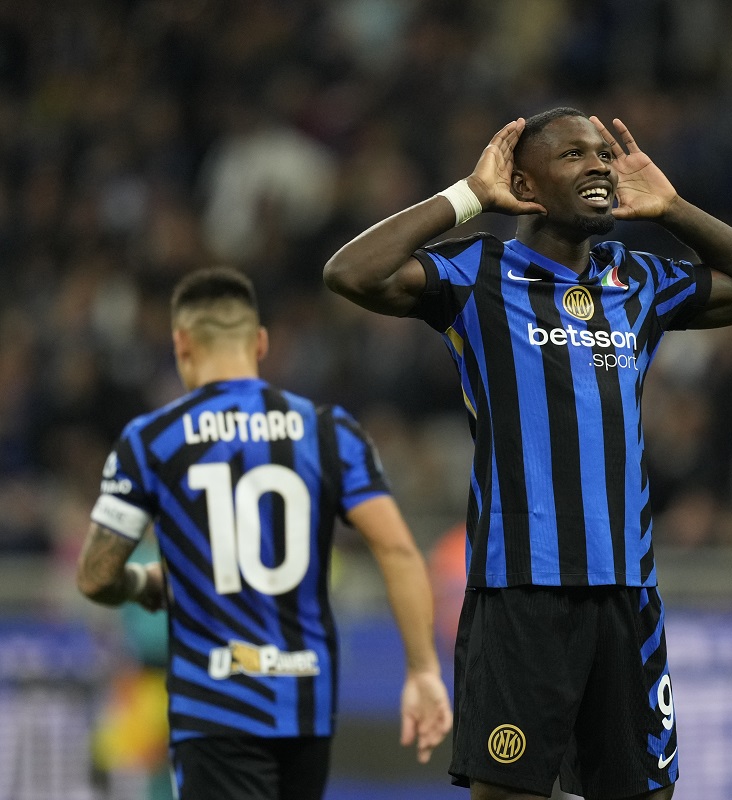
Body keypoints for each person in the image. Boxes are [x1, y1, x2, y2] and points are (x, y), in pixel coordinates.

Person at [324, 108, 732, 800]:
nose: (600, 165)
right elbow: (350, 273)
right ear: (526, 183)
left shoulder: (637, 278)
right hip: (521, 590)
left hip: (627, 594)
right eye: (574, 155)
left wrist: (673, 209)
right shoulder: (476, 273)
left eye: (604, 154)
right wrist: (468, 197)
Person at [76, 267, 452, 800]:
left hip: (214, 706)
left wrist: (145, 585)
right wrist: (421, 670)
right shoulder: (330, 432)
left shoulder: (150, 441)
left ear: (182, 344)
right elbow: (396, 548)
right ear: (260, 343)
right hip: (306, 705)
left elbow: (95, 577)